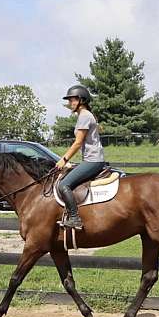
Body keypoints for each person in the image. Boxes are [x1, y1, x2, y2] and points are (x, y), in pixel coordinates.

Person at [55, 85, 105, 229]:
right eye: (69, 100)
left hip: (93, 160)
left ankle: (75, 219)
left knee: (64, 184)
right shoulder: (86, 114)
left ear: (81, 100)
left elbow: (78, 143)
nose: (70, 103)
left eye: (72, 100)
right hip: (92, 159)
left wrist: (64, 160)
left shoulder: (84, 116)